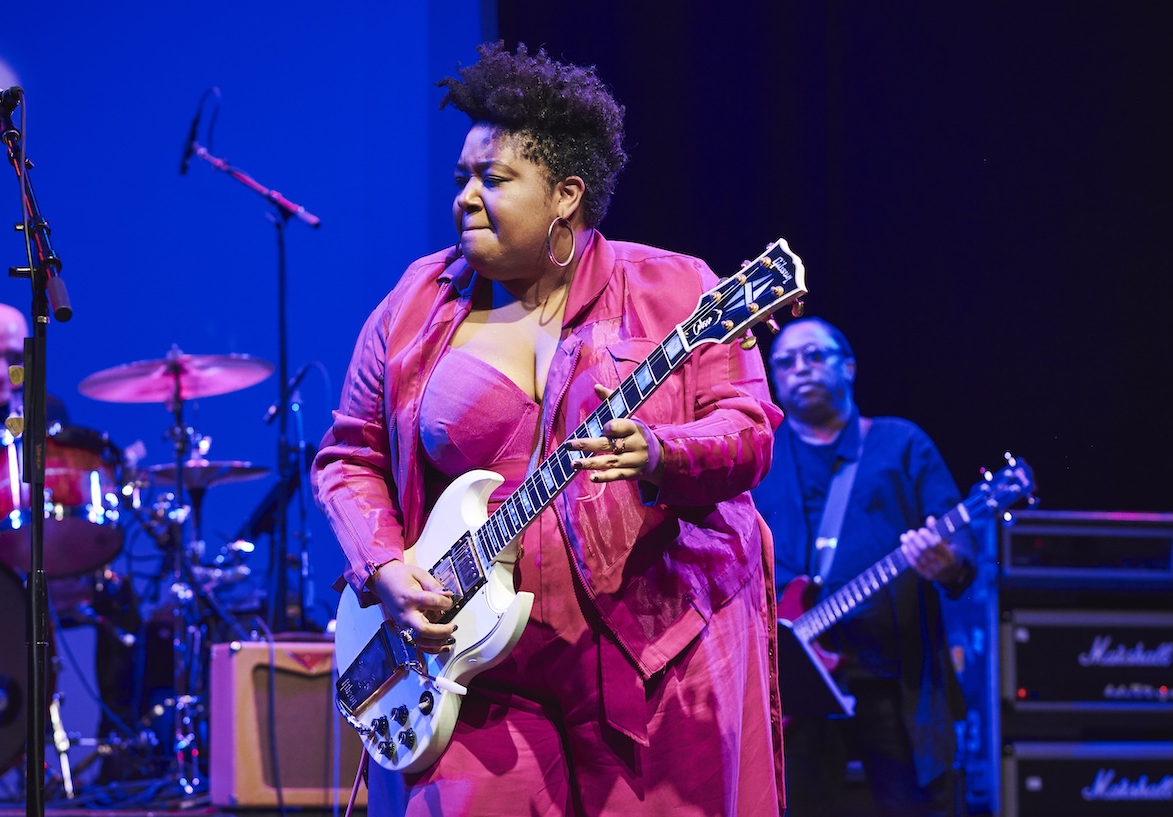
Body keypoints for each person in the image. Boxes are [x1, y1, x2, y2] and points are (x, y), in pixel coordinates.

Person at [312, 42, 785, 817]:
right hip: (474, 672)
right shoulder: (412, 306)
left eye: (492, 178)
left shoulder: (678, 287)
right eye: (460, 177)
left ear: (565, 194)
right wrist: (384, 566)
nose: (465, 196)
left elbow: (746, 431)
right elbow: (350, 453)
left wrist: (663, 452)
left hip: (654, 658)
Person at [750, 316, 976, 817]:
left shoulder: (901, 443)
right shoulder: (758, 454)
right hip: (794, 687)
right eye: (784, 361)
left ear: (848, 367)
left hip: (893, 680)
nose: (800, 369)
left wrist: (948, 562)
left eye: (815, 355)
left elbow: (960, 542)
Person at [0, 302, 140, 786]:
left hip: (31, 561)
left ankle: (118, 760)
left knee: (119, 599)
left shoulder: (48, 409)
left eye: (13, 358)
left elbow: (63, 494)